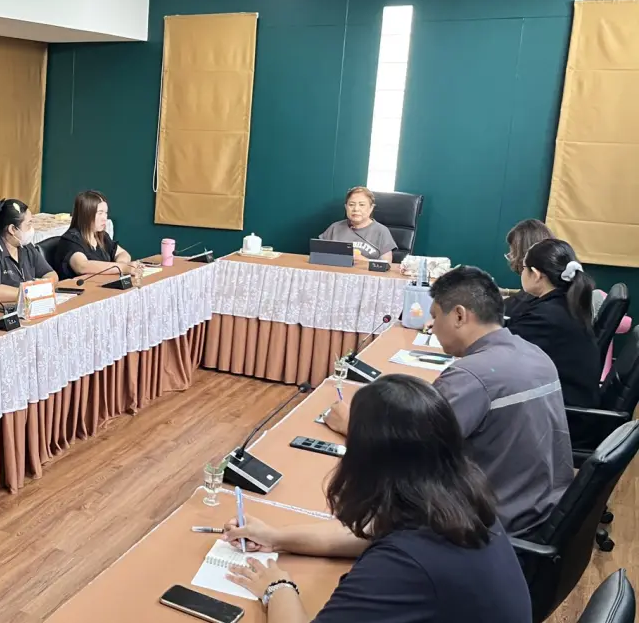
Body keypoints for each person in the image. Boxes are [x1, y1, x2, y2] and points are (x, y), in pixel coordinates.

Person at [223, 375, 531, 623]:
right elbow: (367, 534)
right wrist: (276, 538)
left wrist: (277, 588)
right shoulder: (458, 500)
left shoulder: (403, 565)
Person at [324, 266, 572, 535]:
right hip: (544, 510)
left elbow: (409, 454)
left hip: (494, 523)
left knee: (360, 521)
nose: (431, 326)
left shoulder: (470, 377)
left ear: (459, 315)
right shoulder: (534, 353)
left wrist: (352, 425)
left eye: (434, 315)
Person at [507, 238, 600, 408]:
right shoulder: (565, 304)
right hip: (565, 399)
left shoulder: (546, 317)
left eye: (524, 268)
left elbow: (501, 352)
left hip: (563, 412)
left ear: (536, 275)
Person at [0, 199, 57, 304]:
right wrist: (30, 292)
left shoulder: (26, 247)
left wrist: (43, 286)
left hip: (22, 306)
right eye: (28, 225)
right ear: (12, 229)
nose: (32, 229)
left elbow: (51, 274)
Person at [51, 191, 143, 281]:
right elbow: (82, 266)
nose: (105, 218)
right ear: (85, 214)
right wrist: (122, 268)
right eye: (100, 213)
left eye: (106, 213)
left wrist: (122, 264)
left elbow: (122, 253)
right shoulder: (70, 240)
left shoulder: (101, 236)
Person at [318, 187, 397, 262]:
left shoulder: (382, 231)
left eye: (362, 205)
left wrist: (364, 261)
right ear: (346, 207)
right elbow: (318, 256)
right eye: (351, 204)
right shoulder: (335, 228)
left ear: (371, 208)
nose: (356, 209)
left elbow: (386, 265)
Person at [502, 219, 555, 319]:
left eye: (513, 254)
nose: (512, 260)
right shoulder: (559, 291)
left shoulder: (518, 308)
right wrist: (507, 292)